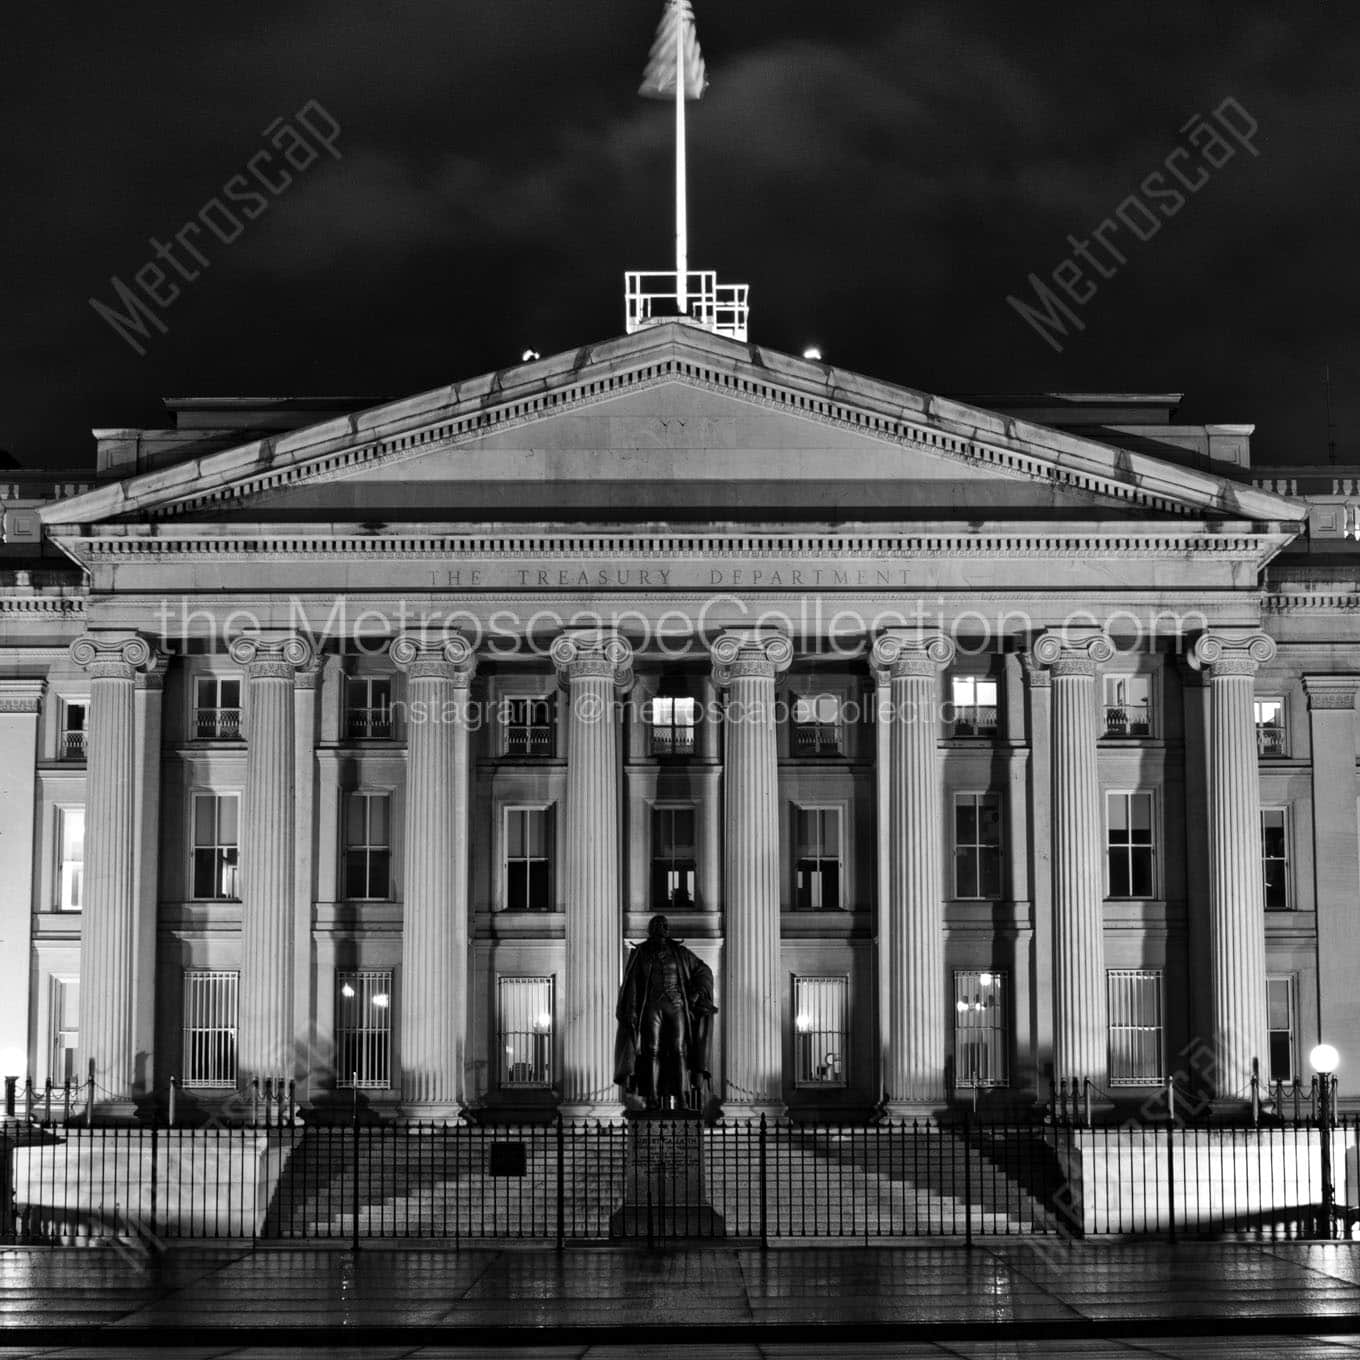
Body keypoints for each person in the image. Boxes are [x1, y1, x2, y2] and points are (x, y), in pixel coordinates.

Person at [614, 914, 716, 1110]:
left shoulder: (680, 953)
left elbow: (703, 971)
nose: (660, 929)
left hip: (676, 1005)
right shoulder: (641, 953)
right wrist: (632, 1010)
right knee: (651, 1050)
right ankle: (651, 1099)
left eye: (663, 926)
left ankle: (682, 1100)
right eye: (657, 926)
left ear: (667, 931)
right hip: (651, 1005)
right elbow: (633, 983)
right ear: (651, 930)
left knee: (679, 1050)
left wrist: (695, 994)